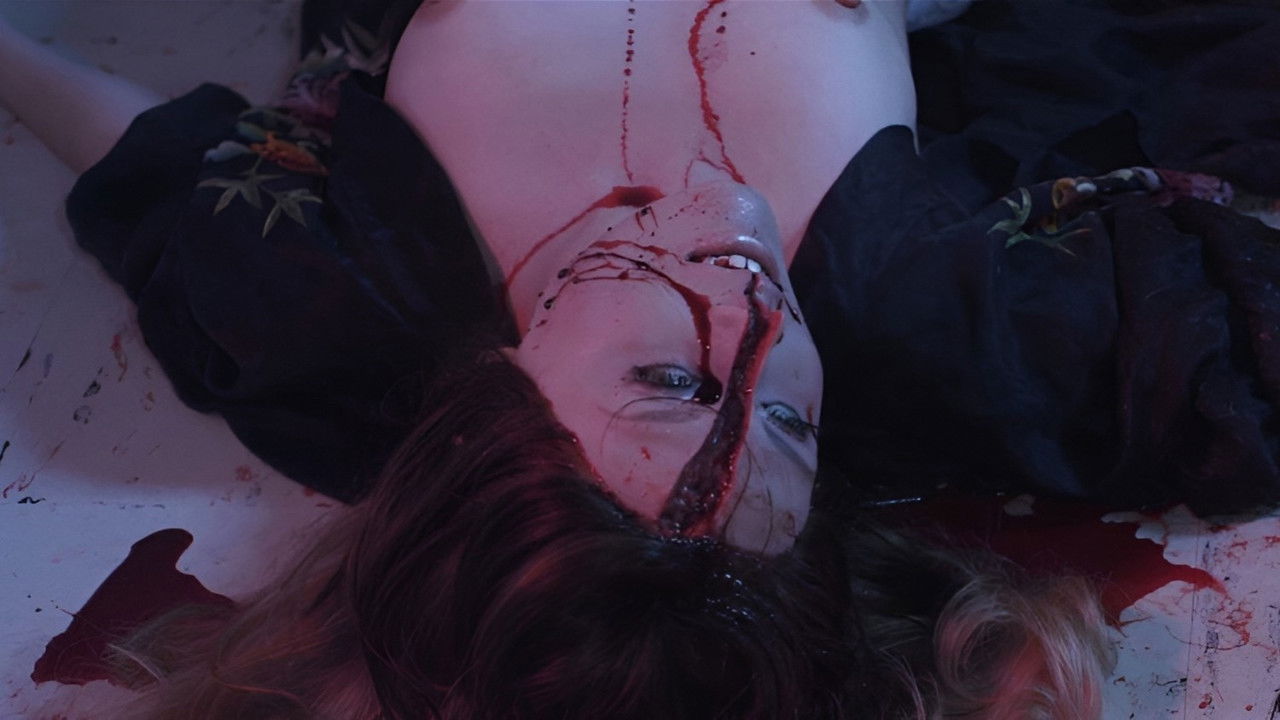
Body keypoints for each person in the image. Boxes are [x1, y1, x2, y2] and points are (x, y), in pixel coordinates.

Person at [6, 0, 1279, 716]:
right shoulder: (920, 317)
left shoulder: (345, 315)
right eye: (791, 424)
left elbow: (152, 160)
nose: (756, 319)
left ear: (492, 402)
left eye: (670, 384)